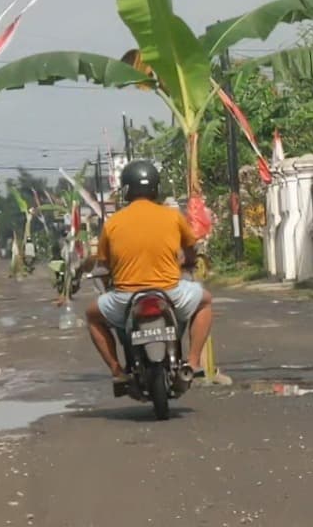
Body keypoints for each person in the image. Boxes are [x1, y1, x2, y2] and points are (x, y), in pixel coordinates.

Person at [79, 160, 214, 394]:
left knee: (91, 316)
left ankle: (117, 371)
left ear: (127, 189)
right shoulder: (171, 216)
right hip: (171, 292)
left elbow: (104, 263)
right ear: (155, 188)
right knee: (205, 301)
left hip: (125, 298)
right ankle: (193, 363)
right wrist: (189, 262)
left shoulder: (113, 223)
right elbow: (190, 249)